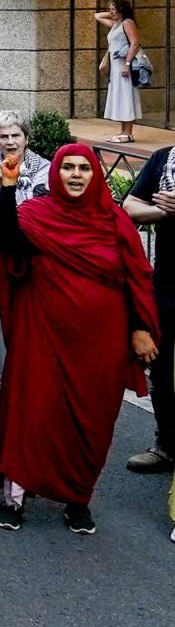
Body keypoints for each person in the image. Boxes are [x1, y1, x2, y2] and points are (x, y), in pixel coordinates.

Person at [0, 144, 158, 535]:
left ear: (95, 175)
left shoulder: (115, 221)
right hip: (42, 335)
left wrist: (139, 328)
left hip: (102, 344)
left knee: (92, 421)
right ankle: (14, 499)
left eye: (85, 167)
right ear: (56, 174)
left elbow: (136, 279)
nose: (77, 174)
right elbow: (7, 239)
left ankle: (78, 498)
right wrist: (10, 188)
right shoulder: (34, 214)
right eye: (68, 167)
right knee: (31, 413)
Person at [0, 112, 49, 395]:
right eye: (4, 136)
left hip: (34, 250)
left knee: (36, 314)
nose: (10, 141)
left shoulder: (43, 167)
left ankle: (36, 372)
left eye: (16, 135)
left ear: (26, 138)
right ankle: (3, 375)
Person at [124, 141, 175, 480]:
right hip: (168, 284)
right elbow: (128, 206)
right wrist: (165, 212)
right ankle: (167, 445)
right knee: (162, 369)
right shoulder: (163, 159)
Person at [95, 0, 142, 143]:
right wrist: (113, 13)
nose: (111, 12)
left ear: (121, 10)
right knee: (120, 97)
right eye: (110, 10)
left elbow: (134, 43)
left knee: (126, 96)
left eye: (114, 10)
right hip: (116, 67)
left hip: (123, 64)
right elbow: (97, 16)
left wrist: (127, 63)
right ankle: (123, 131)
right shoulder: (117, 24)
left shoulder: (127, 23)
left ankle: (128, 133)